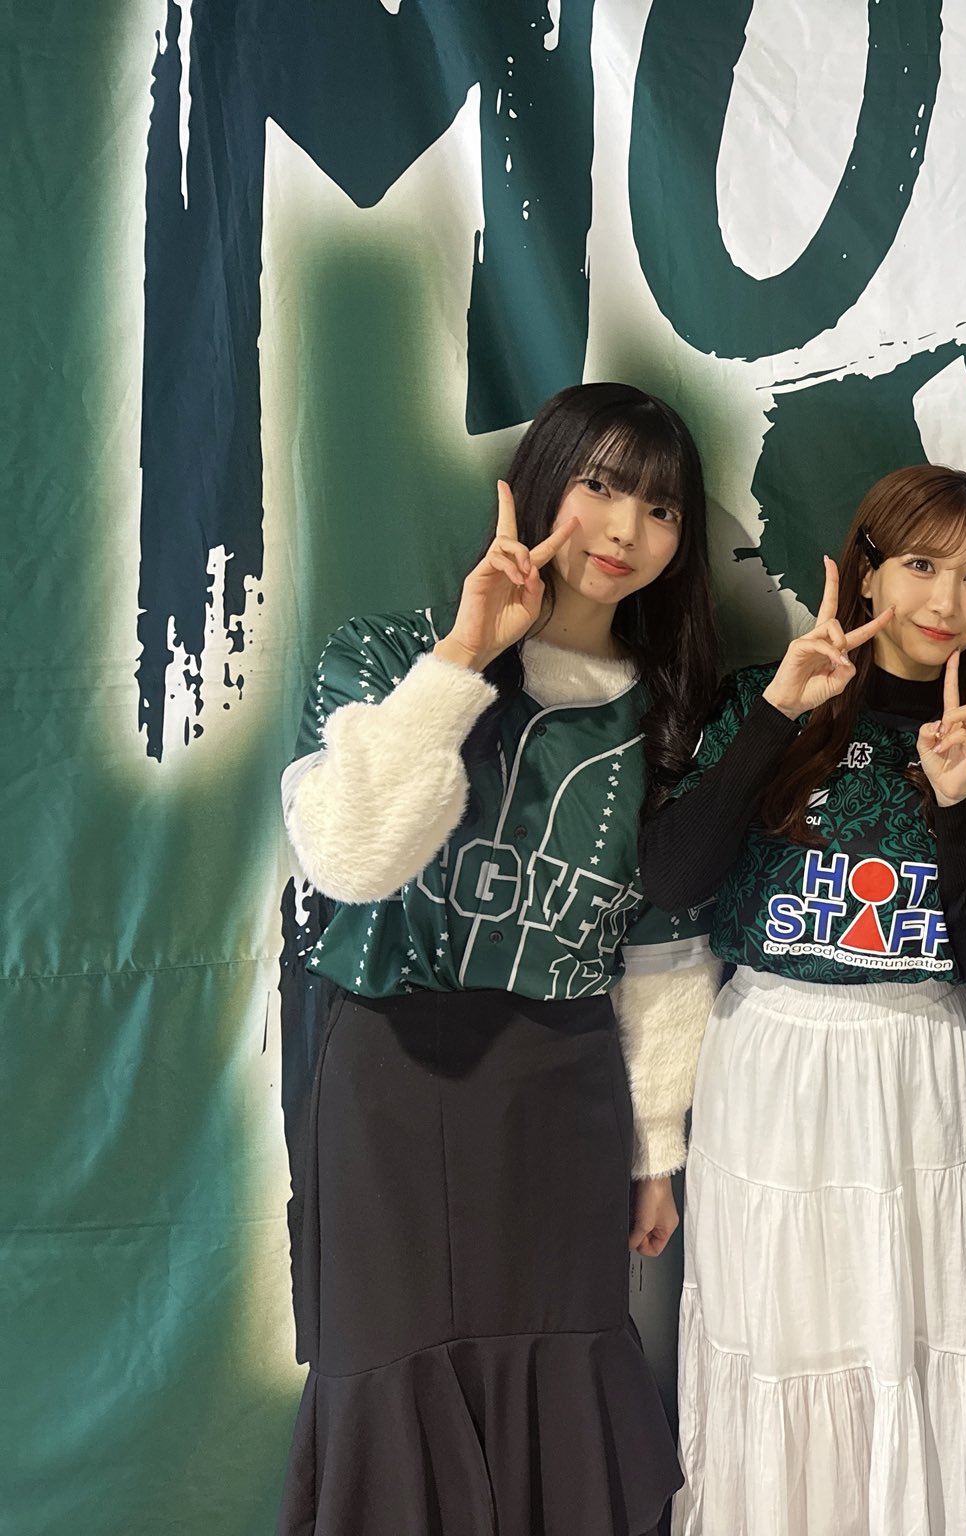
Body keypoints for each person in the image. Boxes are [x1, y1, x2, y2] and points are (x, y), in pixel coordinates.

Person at [276, 382, 722, 1536]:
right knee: (390, 1374)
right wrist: (466, 655)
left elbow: (662, 948)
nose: (625, 530)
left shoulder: (668, 717)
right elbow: (351, 861)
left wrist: (655, 1150)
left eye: (661, 508)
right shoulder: (388, 653)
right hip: (390, 1073)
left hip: (562, 1091)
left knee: (561, 1384)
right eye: (601, 486)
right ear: (539, 484)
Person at [636, 464, 966, 1536]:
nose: (945, 602)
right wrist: (777, 713)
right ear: (864, 572)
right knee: (772, 1338)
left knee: (909, 1335)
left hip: (919, 1068)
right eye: (920, 565)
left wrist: (957, 801)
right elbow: (672, 879)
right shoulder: (767, 696)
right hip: (771, 1060)